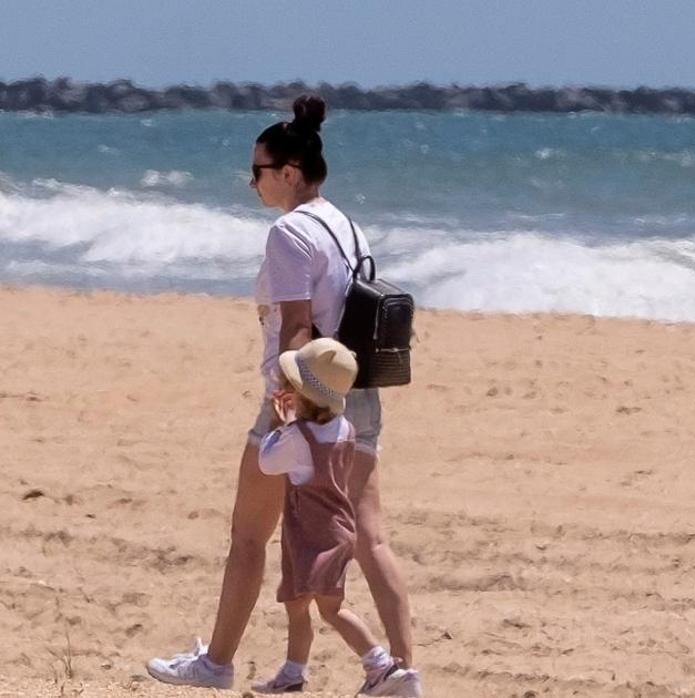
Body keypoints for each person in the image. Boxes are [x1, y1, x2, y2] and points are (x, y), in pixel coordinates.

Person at [147, 95, 420, 696]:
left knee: (250, 534)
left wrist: (285, 403)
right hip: (359, 392)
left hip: (306, 397)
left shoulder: (289, 233)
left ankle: (216, 663)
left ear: (289, 173)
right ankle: (403, 670)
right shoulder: (347, 224)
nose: (252, 183)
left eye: (259, 171)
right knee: (371, 537)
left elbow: (297, 327)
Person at [250, 338, 415, 696]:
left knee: (330, 608)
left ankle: (380, 665)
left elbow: (267, 462)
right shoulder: (344, 430)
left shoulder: (298, 438)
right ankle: (293, 670)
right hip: (331, 529)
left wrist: (278, 425)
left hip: (314, 534)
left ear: (302, 395)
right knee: (295, 600)